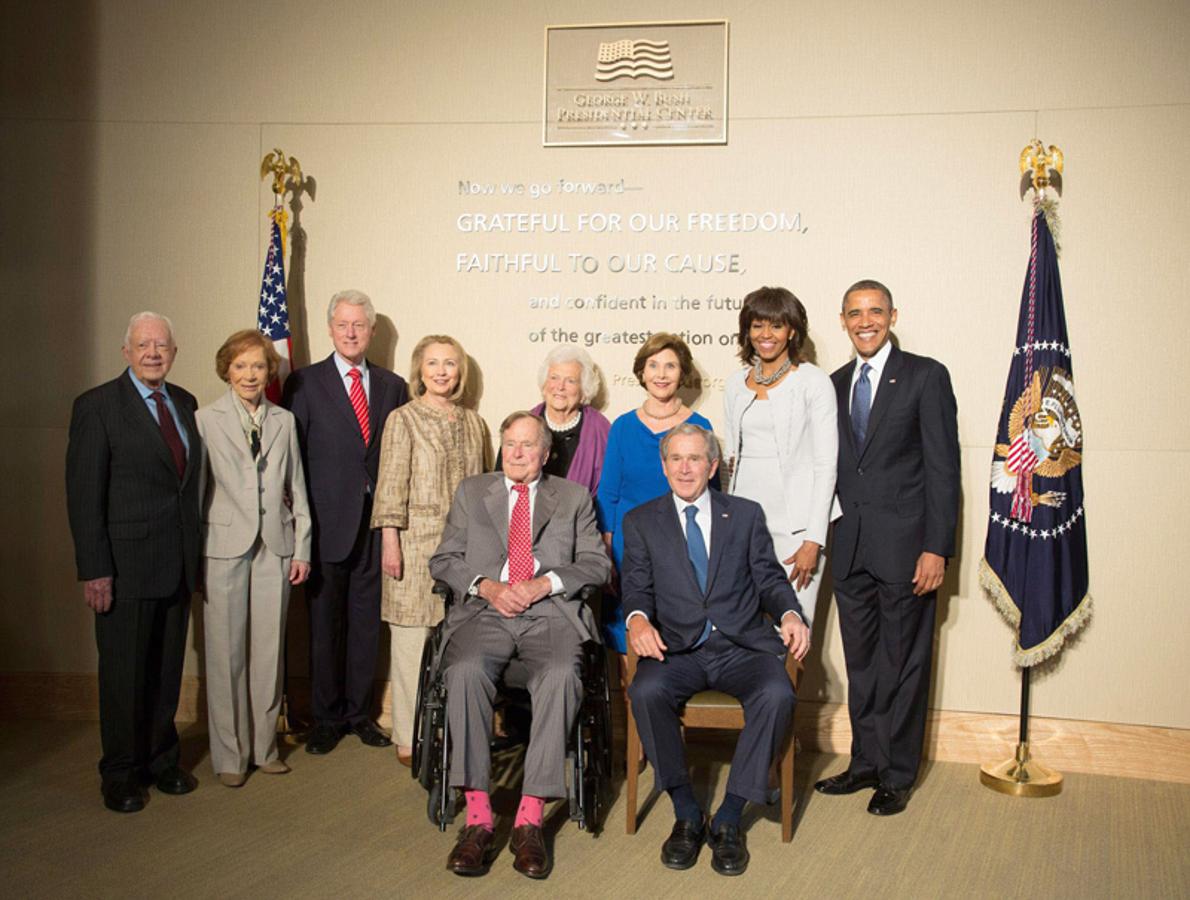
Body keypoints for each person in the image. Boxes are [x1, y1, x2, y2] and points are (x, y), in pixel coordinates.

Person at [622, 423, 810, 876]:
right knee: (645, 692)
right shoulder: (641, 521)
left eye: (694, 459)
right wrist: (638, 619)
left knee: (777, 693)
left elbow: (769, 578)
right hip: (678, 650)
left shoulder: (744, 514)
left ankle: (728, 817)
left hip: (740, 646)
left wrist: (789, 613)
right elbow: (636, 590)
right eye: (676, 459)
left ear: (711, 466)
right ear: (664, 467)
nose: (685, 468)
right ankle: (686, 809)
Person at [429, 412, 610, 879]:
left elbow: (595, 565)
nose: (517, 453)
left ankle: (529, 818)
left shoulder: (572, 497)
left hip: (549, 613)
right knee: (464, 671)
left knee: (561, 675)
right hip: (486, 610)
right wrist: (487, 587)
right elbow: (444, 559)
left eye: (528, 445)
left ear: (546, 454)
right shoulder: (473, 492)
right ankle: (478, 818)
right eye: (510, 444)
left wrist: (542, 585)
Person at [815, 279, 960, 816]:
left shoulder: (925, 376)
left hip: (908, 551)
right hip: (850, 548)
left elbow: (944, 470)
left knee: (904, 664)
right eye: (855, 313)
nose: (865, 321)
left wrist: (936, 548)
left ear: (893, 315)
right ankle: (866, 762)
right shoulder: (832, 384)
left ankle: (898, 774)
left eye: (875, 311)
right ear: (843, 320)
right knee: (864, 666)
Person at [66, 311, 203, 812]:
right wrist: (94, 567)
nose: (152, 353)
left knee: (166, 672)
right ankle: (121, 773)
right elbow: (84, 497)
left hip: (177, 564)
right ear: (126, 352)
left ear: (173, 352)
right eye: (143, 345)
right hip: (123, 568)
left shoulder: (184, 403)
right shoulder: (98, 407)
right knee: (124, 676)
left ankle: (162, 762)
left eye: (161, 345)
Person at [282, 290, 409, 754]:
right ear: (331, 328)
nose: (351, 333)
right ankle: (326, 717)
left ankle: (359, 714)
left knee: (364, 625)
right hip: (322, 526)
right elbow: (292, 458)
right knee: (322, 627)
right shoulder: (304, 383)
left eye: (360, 325)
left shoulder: (394, 386)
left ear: (371, 332)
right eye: (343, 325)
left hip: (375, 527)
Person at [196, 330, 312, 787]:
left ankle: (264, 748)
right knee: (226, 654)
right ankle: (229, 755)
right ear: (227, 369)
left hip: (275, 547)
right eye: (241, 366)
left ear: (270, 372)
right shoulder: (205, 420)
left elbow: (297, 487)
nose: (250, 374)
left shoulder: (283, 420)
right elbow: (198, 493)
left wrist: (302, 545)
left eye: (259, 366)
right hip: (223, 547)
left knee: (268, 651)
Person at [371, 334, 487, 767]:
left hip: (466, 549)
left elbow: (485, 491)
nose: (442, 371)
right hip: (414, 543)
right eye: (433, 363)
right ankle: (407, 735)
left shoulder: (474, 423)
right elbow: (389, 487)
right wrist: (390, 542)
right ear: (419, 369)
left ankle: (449, 730)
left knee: (456, 642)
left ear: (461, 372)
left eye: (450, 364)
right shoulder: (403, 419)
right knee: (410, 641)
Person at [723, 286, 839, 622]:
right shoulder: (734, 384)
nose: (765, 334)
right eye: (757, 325)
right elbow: (731, 460)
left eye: (776, 325)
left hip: (795, 528)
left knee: (793, 629)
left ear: (791, 331)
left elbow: (825, 465)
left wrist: (813, 539)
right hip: (744, 523)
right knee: (741, 626)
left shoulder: (813, 382)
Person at [596, 333, 717, 653]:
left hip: (680, 540)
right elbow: (608, 493)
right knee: (629, 624)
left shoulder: (700, 425)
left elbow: (711, 496)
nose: (661, 374)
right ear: (642, 372)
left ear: (682, 373)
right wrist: (608, 551)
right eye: (653, 365)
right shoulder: (622, 426)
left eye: (670, 366)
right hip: (627, 544)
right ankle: (630, 700)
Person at [516, 345, 609, 494]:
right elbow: (501, 485)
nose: (560, 387)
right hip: (527, 515)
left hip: (583, 516)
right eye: (554, 378)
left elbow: (608, 492)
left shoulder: (601, 430)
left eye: (570, 381)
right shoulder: (522, 426)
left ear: (583, 389)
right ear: (545, 383)